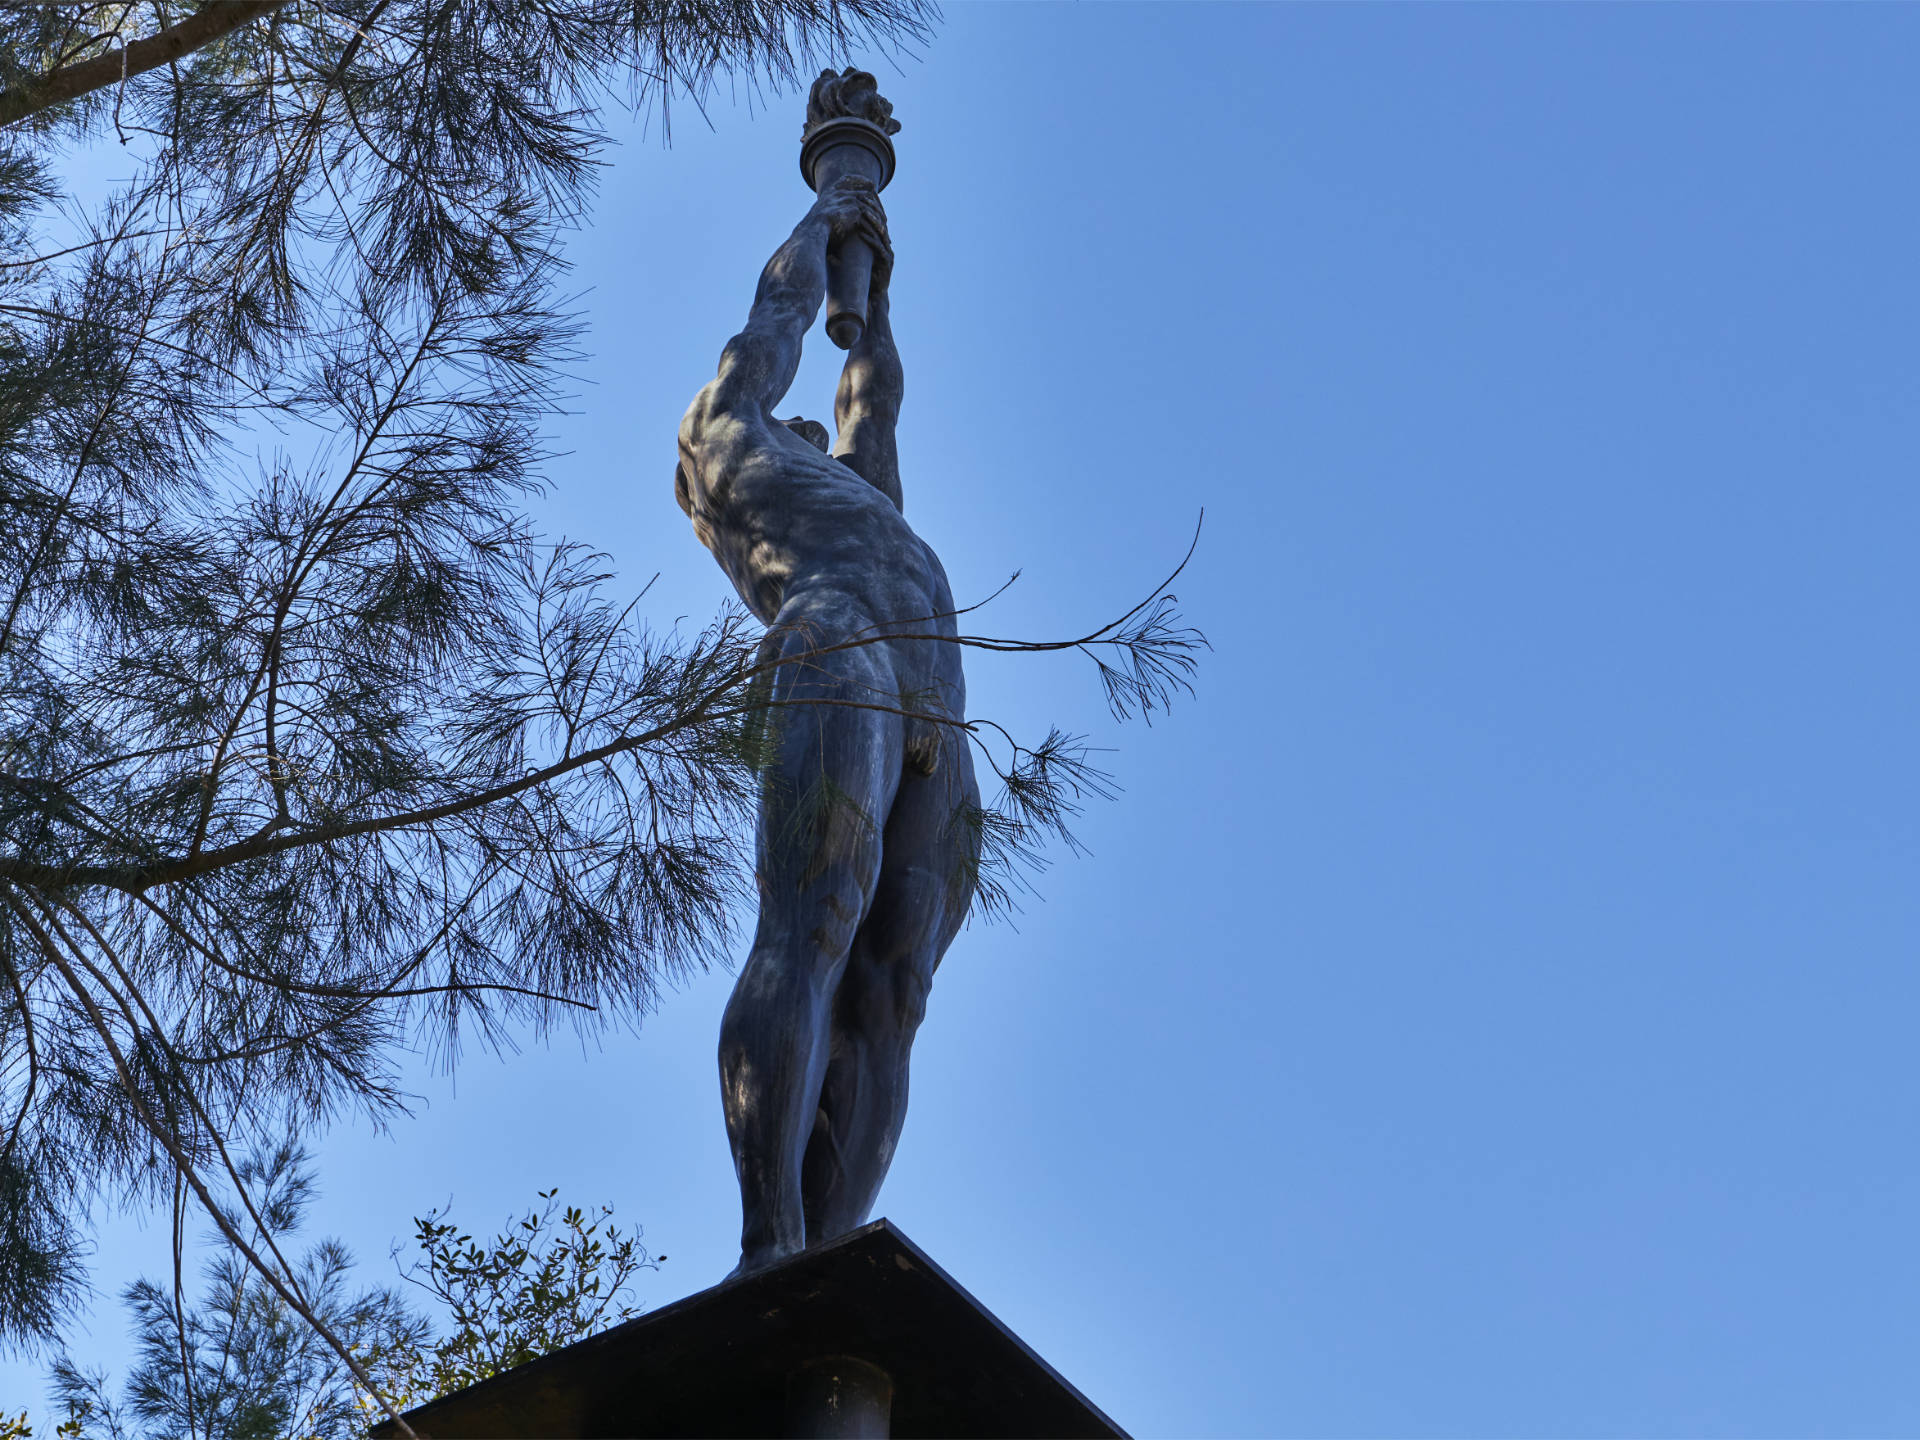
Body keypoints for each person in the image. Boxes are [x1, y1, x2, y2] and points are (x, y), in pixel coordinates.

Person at [674, 172, 980, 1275]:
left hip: (939, 706)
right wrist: (823, 216)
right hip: (838, 640)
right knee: (811, 929)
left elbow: (872, 403)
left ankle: (831, 1249)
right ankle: (771, 1242)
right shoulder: (724, 432)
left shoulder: (860, 494)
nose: (811, 427)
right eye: (793, 421)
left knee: (893, 998)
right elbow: (777, 319)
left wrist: (881, 299)